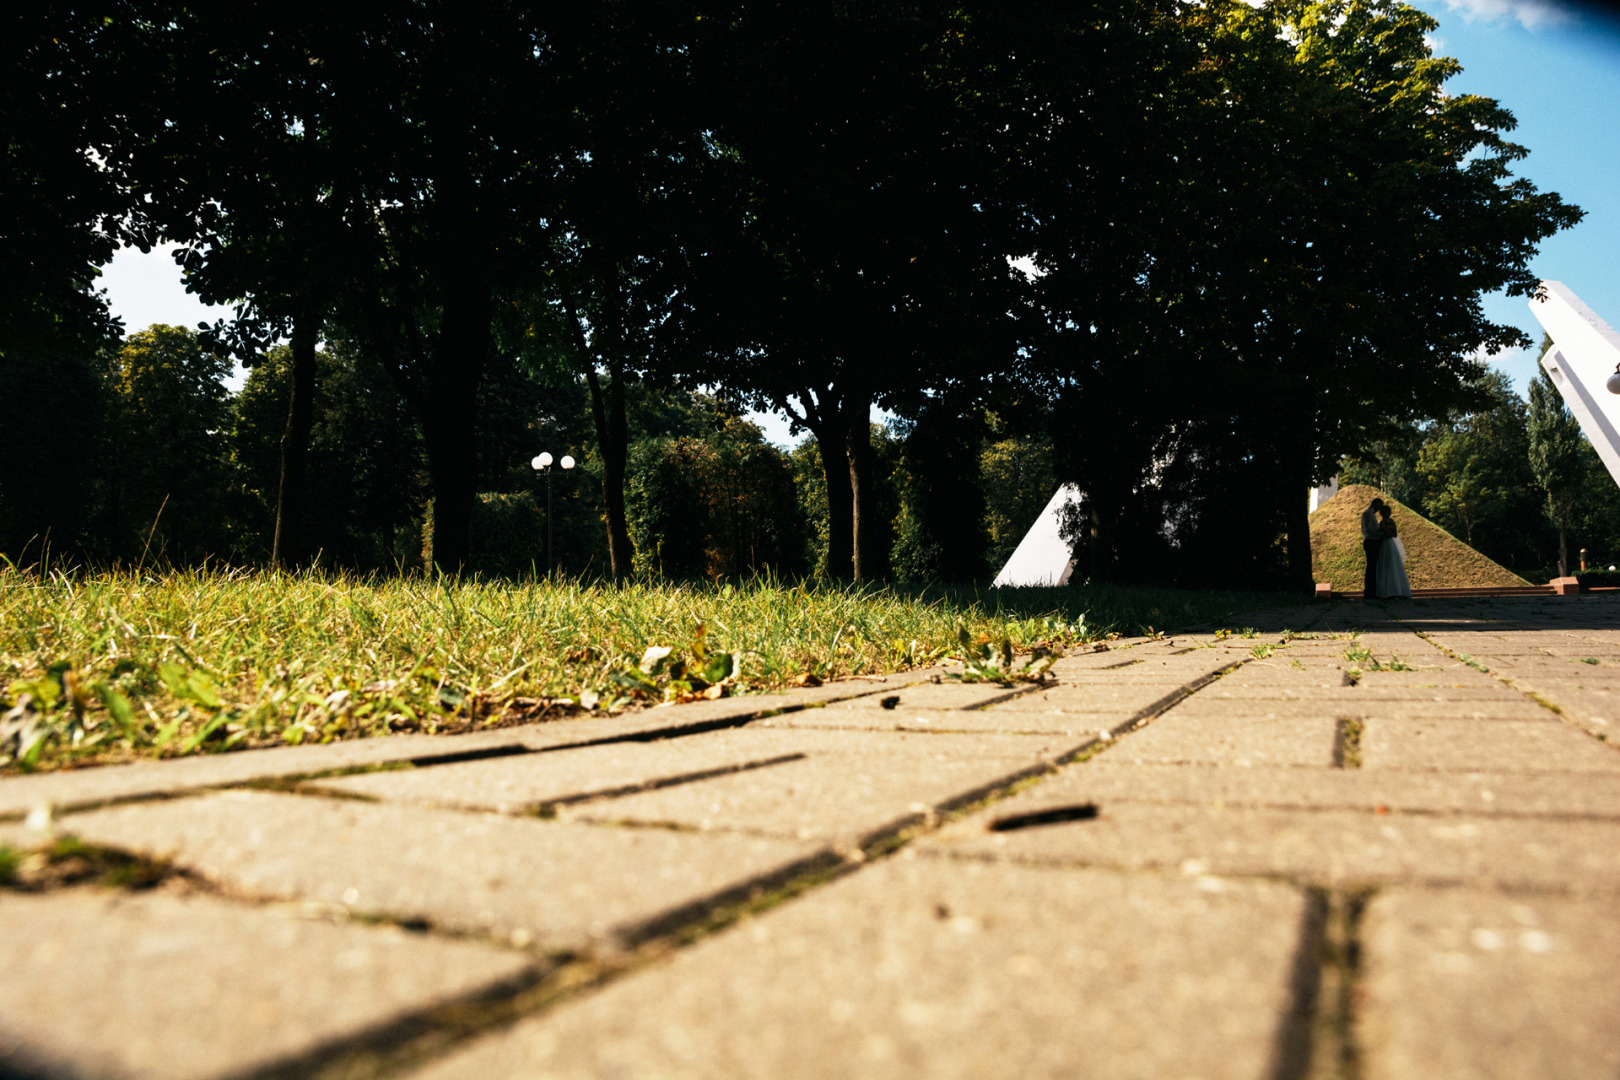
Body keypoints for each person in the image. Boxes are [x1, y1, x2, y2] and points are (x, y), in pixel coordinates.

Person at [1375, 505, 1412, 599]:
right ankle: (1396, 590)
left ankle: (1387, 591)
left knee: (1386, 565)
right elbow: (1394, 534)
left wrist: (1382, 533)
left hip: (1385, 543)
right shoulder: (1391, 521)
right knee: (1393, 565)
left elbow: (1391, 534)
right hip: (1391, 543)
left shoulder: (1383, 522)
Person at [1361, 498, 1385, 597]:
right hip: (1371, 541)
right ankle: (1369, 591)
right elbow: (1369, 530)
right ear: (1375, 504)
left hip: (1373, 541)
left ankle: (1372, 590)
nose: (1380, 509)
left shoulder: (1371, 514)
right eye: (1380, 506)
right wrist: (1381, 534)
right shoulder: (1368, 514)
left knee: (1373, 567)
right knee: (1371, 567)